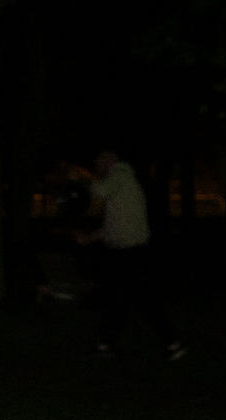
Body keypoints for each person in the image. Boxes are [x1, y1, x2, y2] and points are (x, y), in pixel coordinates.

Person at [78, 149, 185, 361]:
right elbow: (114, 226)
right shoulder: (120, 184)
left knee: (140, 300)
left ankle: (174, 343)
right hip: (126, 254)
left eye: (99, 160)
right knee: (121, 299)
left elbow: (98, 191)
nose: (97, 166)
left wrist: (80, 180)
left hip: (131, 254)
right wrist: (89, 238)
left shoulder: (120, 175)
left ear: (110, 160)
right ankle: (106, 345)